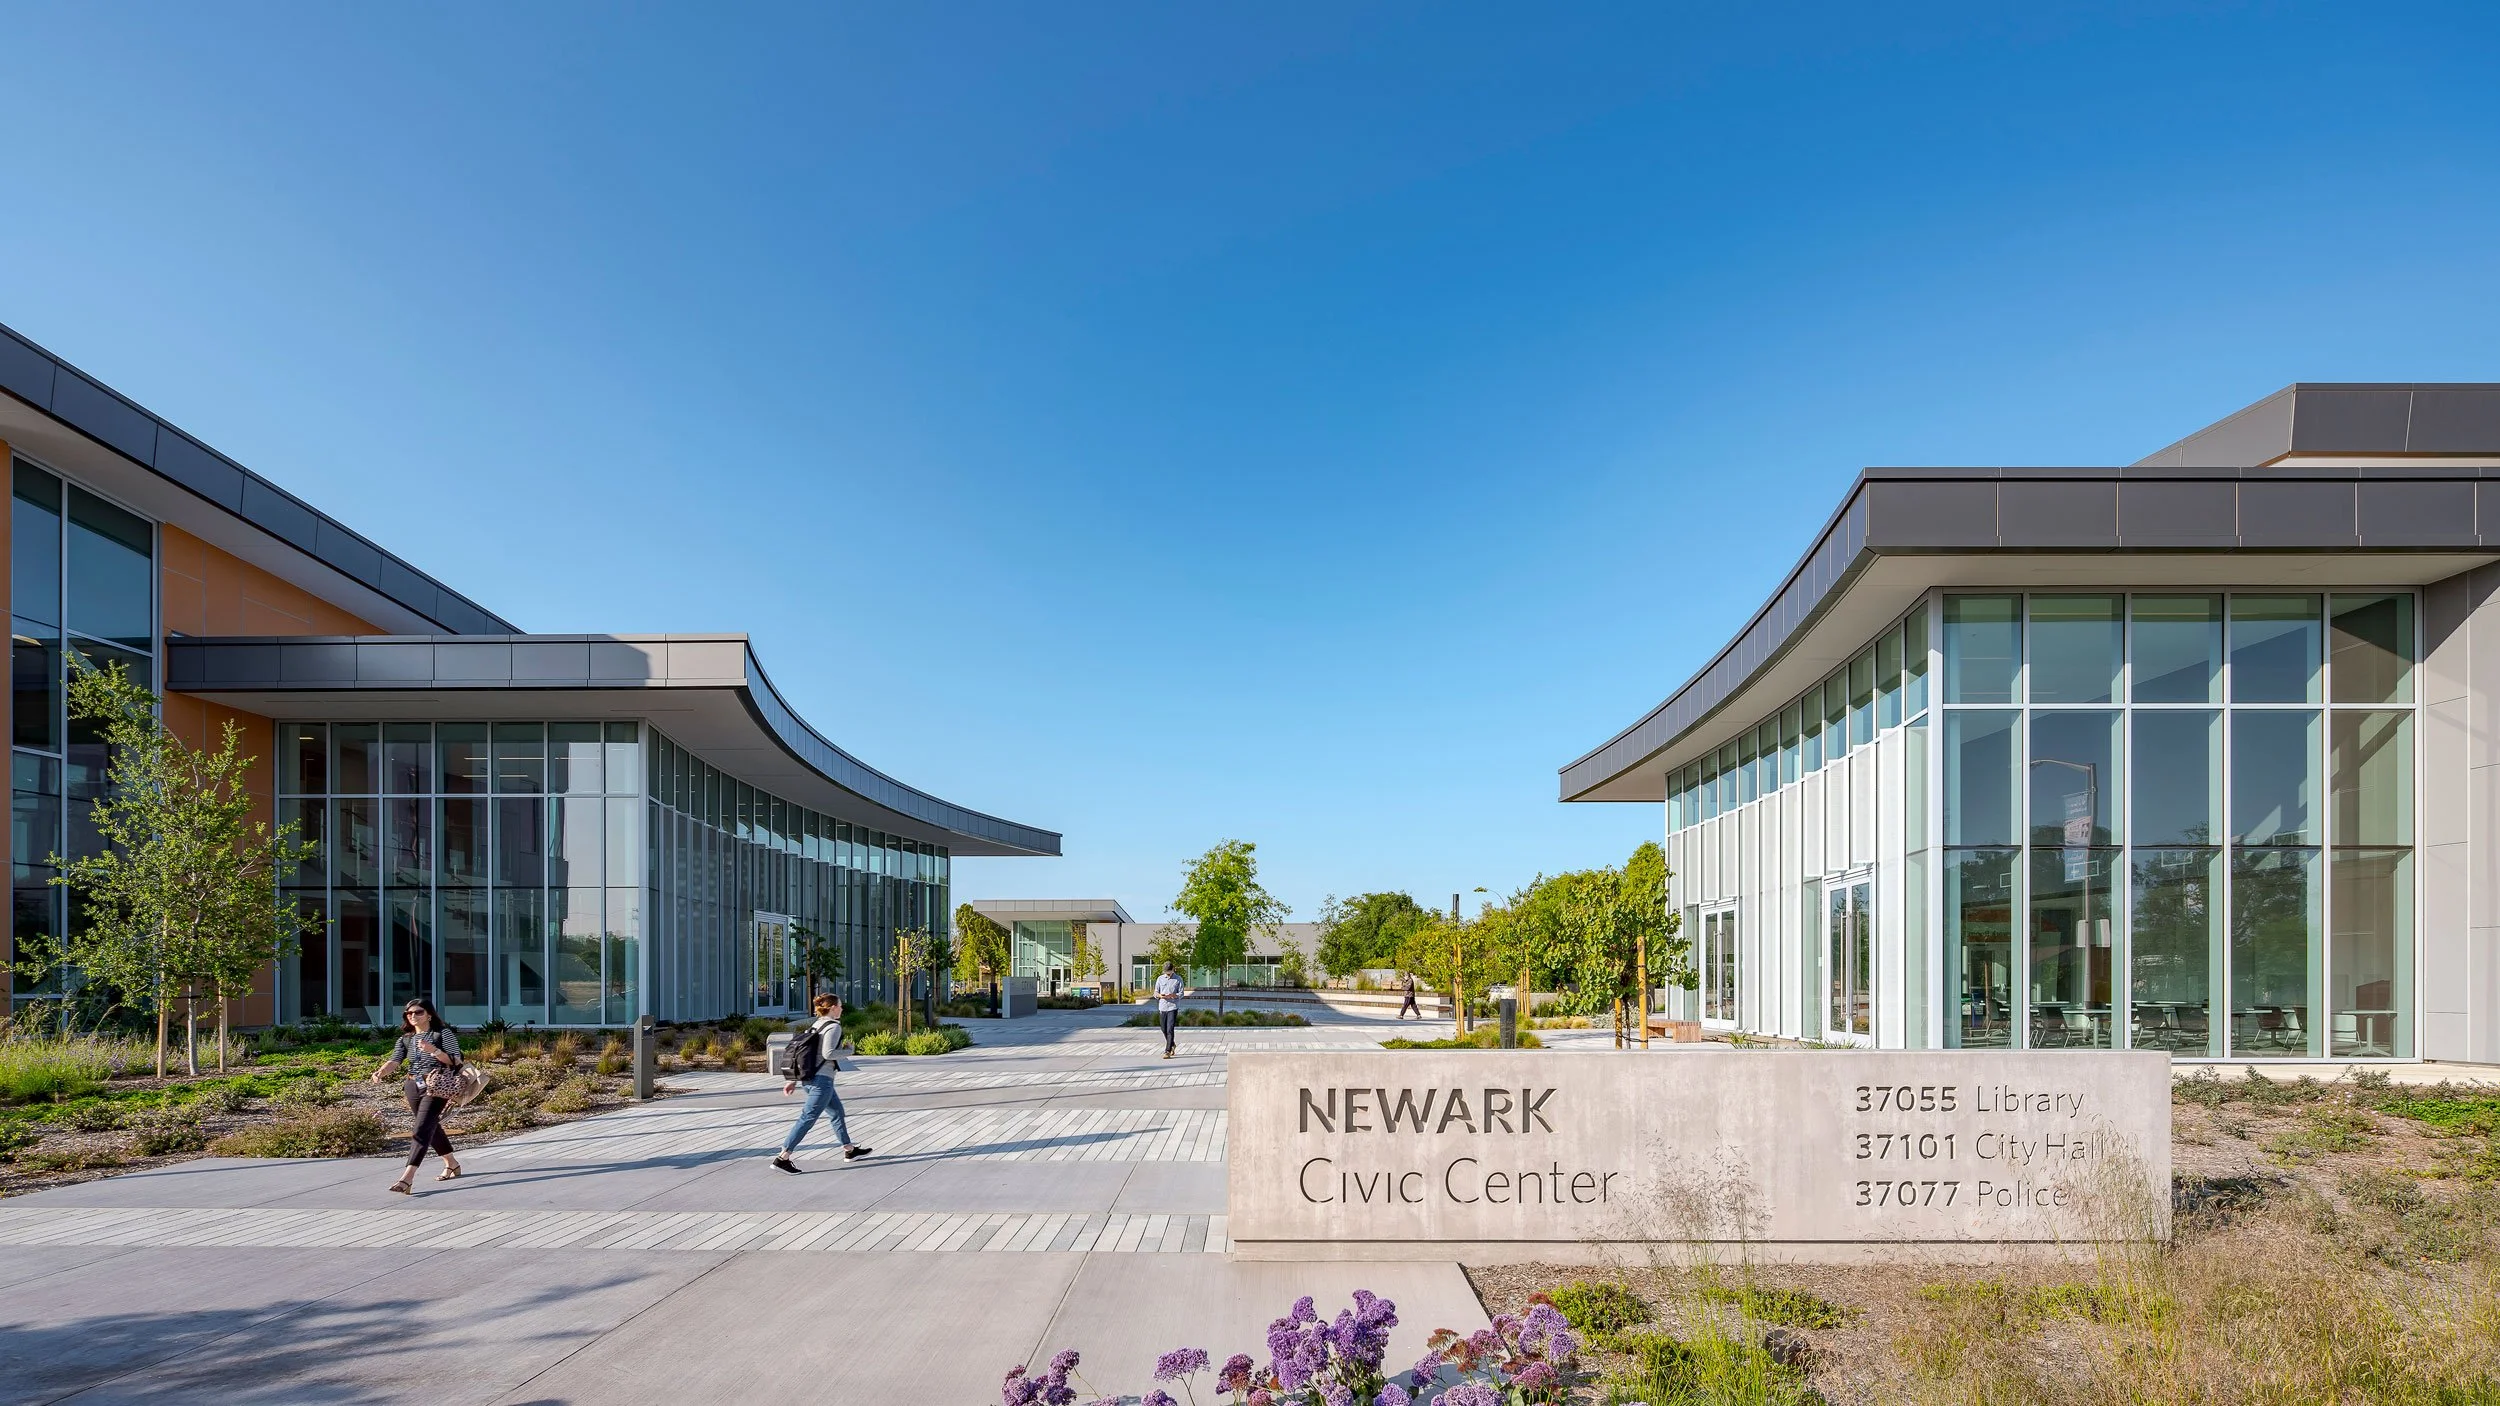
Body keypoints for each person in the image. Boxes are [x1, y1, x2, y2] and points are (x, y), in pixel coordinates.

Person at [368, 998, 465, 1194]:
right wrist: (381, 1072)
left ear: (429, 1014)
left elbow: (456, 1060)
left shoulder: (442, 1034)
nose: (413, 1016)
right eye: (409, 1014)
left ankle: (407, 1178)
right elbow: (395, 1061)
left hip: (438, 1084)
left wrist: (435, 1051)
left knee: (420, 1129)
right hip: (413, 1085)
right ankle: (452, 1163)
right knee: (431, 1126)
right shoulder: (406, 1039)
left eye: (418, 1012)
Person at [774, 993, 871, 1172]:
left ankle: (849, 1150)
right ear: (833, 1008)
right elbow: (828, 1054)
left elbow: (805, 1054)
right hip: (821, 1082)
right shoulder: (833, 1027)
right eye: (840, 1005)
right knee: (808, 1117)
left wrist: (794, 1080)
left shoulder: (816, 1025)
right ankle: (783, 1157)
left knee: (837, 1112)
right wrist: (849, 1051)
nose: (842, 1008)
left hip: (811, 1079)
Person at [1153, 961, 1184, 1058]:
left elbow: (1181, 993)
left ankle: (1167, 1051)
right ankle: (1172, 1044)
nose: (1167, 974)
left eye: (1169, 972)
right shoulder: (1160, 979)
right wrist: (1159, 996)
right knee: (1163, 1029)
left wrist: (1173, 995)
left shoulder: (1178, 979)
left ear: (1173, 969)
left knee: (1170, 1029)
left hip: (1172, 1007)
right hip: (1162, 1006)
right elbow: (1155, 992)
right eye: (1166, 972)